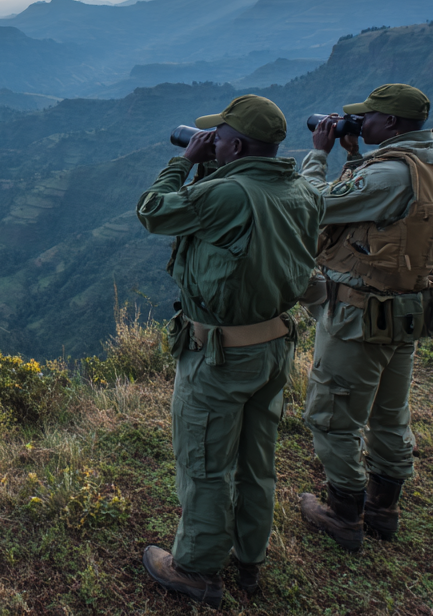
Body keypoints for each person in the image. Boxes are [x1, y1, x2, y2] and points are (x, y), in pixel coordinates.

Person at [135, 94, 324, 607]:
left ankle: (195, 568)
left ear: (235, 145)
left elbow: (152, 212)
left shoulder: (228, 194)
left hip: (220, 356)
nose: (208, 141)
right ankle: (249, 557)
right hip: (273, 348)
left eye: (216, 137)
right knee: (256, 460)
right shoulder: (303, 190)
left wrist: (184, 162)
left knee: (204, 462)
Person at [299, 83, 433, 552]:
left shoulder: (391, 173)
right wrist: (355, 156)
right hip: (408, 312)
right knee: (389, 415)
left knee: (333, 416)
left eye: (368, 117)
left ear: (391, 124)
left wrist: (319, 155)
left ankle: (344, 514)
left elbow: (311, 206)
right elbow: (376, 217)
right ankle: (383, 509)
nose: (360, 123)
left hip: (359, 315)